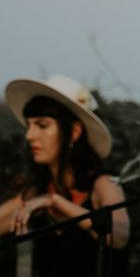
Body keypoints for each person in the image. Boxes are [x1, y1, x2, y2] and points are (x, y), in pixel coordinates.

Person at [0, 75, 130, 276]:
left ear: (74, 131)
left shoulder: (103, 184)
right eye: (29, 125)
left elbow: (119, 236)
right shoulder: (37, 191)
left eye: (42, 125)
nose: (29, 136)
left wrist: (56, 202)